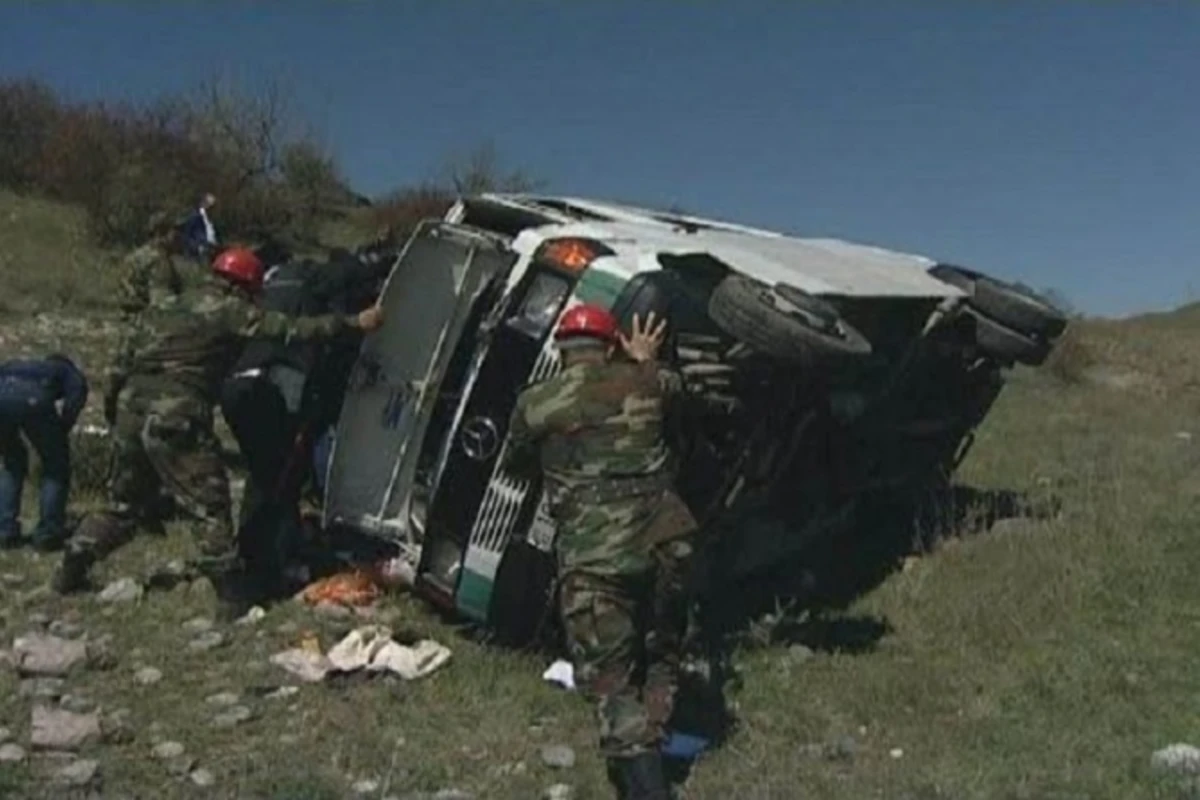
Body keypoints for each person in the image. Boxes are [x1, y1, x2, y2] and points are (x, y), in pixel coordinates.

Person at [54, 246, 385, 622]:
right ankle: (231, 593)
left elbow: (119, 363)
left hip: (132, 407)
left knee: (124, 504)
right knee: (209, 503)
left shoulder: (162, 308)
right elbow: (291, 330)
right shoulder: (228, 309)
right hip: (176, 412)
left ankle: (73, 563)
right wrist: (355, 323)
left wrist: (115, 410)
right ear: (243, 285)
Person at [501, 305, 700, 800]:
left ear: (559, 350)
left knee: (611, 683)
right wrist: (642, 361)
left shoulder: (536, 402)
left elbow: (516, 467)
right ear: (612, 345)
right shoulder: (650, 382)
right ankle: (657, 734)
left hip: (596, 560)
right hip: (668, 546)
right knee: (660, 650)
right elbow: (688, 404)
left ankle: (648, 785)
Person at [0, 354, 89, 551]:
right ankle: (48, 533)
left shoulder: (17, 363)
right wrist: (62, 429)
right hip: (35, 401)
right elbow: (76, 398)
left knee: (12, 462)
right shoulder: (68, 371)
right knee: (56, 467)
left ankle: (5, 530)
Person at [179, 193, 219, 263]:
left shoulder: (211, 219)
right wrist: (196, 247)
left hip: (211, 250)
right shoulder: (195, 216)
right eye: (210, 205)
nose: (212, 208)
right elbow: (186, 235)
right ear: (204, 204)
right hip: (199, 252)